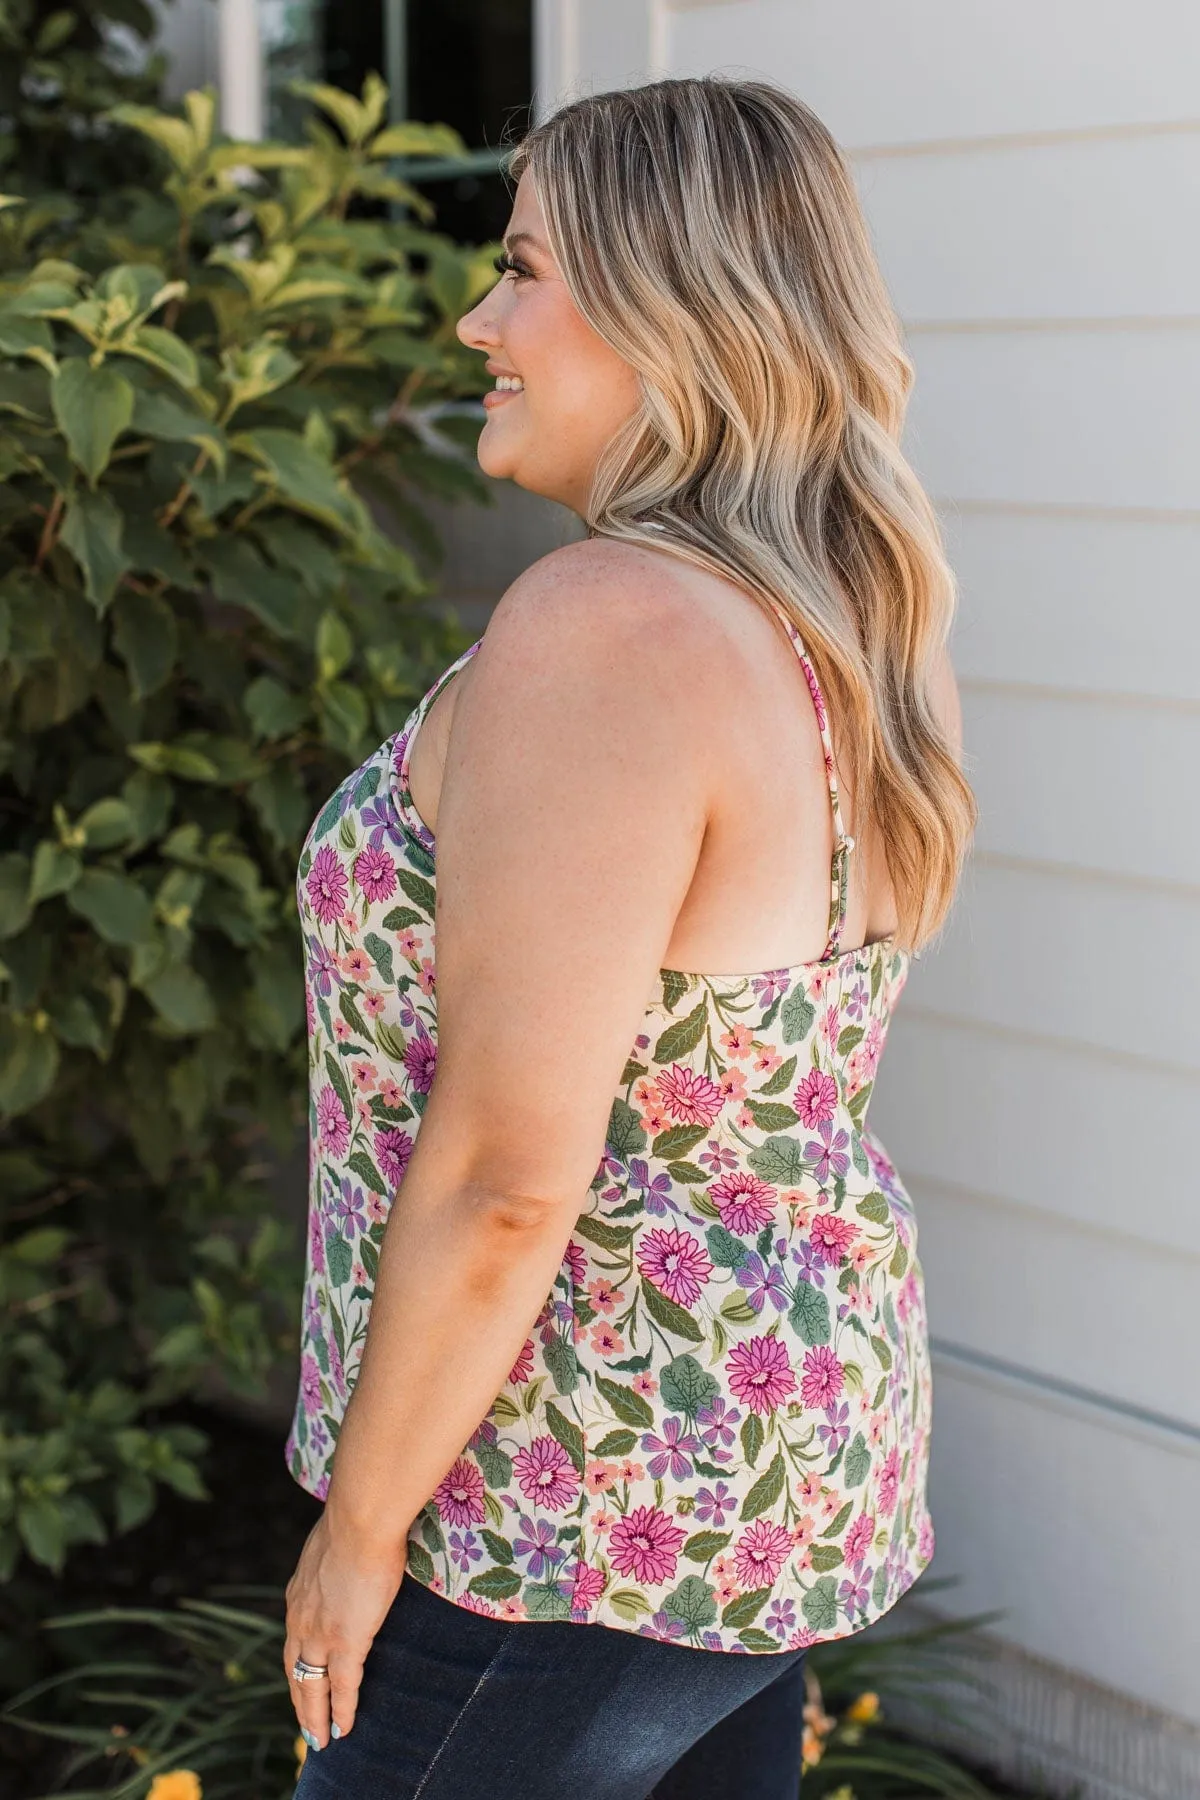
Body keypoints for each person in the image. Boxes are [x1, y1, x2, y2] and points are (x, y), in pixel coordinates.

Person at [283, 74, 974, 1800]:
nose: (476, 319)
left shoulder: (606, 624)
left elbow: (512, 1169)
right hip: (763, 1476)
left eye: (521, 269)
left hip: (563, 1498)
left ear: (675, 306)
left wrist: (360, 1531)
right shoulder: (846, 620)